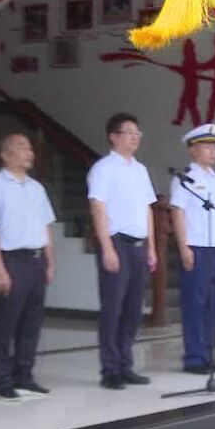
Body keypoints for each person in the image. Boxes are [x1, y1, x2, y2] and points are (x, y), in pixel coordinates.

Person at [0, 133, 57, 401]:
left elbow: (46, 226)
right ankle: (1, 379)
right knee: (6, 322)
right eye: (22, 148)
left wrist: (49, 261)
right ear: (5, 154)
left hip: (36, 259)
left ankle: (24, 375)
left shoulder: (37, 188)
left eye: (30, 148)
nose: (29, 152)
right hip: (12, 260)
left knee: (32, 322)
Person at [87, 113, 157, 390]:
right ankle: (110, 369)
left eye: (137, 132)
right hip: (116, 243)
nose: (135, 137)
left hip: (139, 245)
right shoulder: (103, 168)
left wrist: (152, 247)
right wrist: (106, 247)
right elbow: (98, 207)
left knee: (132, 309)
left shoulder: (140, 170)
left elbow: (147, 209)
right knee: (113, 308)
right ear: (113, 136)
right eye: (129, 132)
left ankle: (126, 364)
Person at [169, 124, 215, 374]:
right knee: (195, 303)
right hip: (197, 248)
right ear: (193, 150)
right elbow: (177, 212)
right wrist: (183, 247)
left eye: (214, 146)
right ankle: (194, 357)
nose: (212, 151)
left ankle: (208, 354)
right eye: (206, 147)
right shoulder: (185, 177)